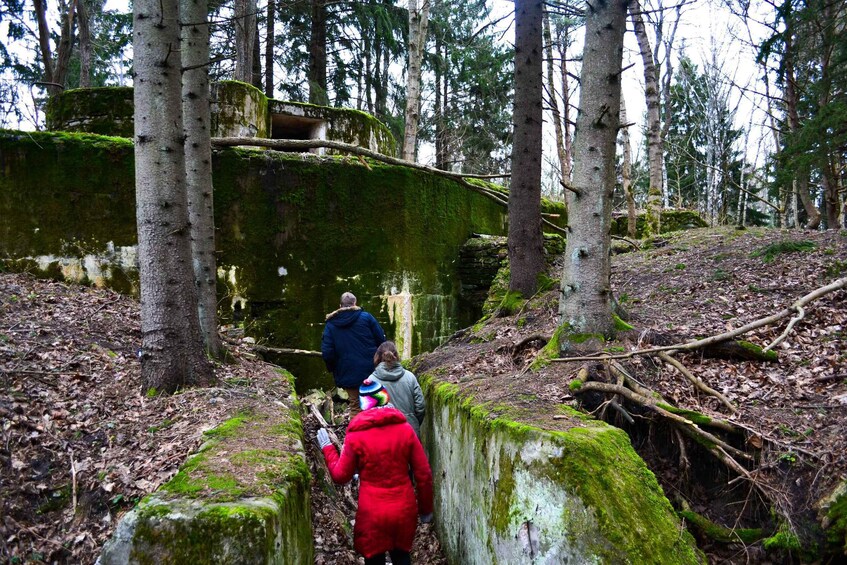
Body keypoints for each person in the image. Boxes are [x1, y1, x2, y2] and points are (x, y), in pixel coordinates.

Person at [316, 379, 434, 565]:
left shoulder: (355, 435)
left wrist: (327, 448)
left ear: (364, 405)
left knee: (374, 559)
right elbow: (424, 474)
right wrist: (426, 511)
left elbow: (340, 476)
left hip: (372, 513)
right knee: (402, 557)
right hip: (404, 509)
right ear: (385, 399)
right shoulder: (405, 430)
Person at [321, 291, 386, 417]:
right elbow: (382, 341)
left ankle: (357, 436)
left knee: (355, 406)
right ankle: (375, 435)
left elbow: (327, 353)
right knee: (374, 405)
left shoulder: (330, 324)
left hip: (347, 371)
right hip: (371, 371)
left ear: (340, 306)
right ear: (355, 303)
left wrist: (334, 369)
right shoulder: (367, 318)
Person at [369, 341, 425, 438]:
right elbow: (420, 406)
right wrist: (413, 422)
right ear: (396, 355)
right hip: (410, 432)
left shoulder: (371, 381)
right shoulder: (410, 377)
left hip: (383, 436)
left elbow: (368, 413)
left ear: (377, 357)